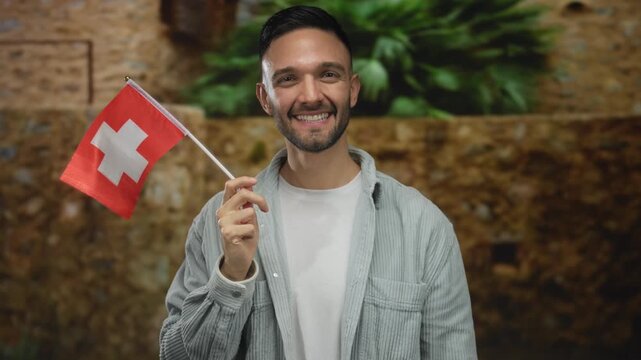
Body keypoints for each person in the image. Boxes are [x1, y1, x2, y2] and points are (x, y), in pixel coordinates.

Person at [160, 5, 477, 360]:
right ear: (265, 98)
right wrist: (230, 276)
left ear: (352, 90)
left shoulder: (423, 226)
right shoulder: (219, 223)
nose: (310, 95)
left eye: (328, 74)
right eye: (288, 78)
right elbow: (176, 356)